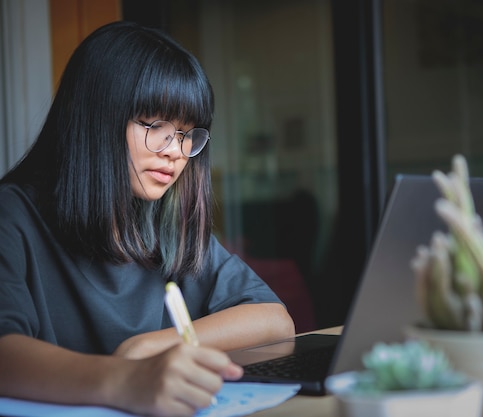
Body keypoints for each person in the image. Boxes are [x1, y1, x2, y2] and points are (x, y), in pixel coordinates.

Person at [0, 20, 295, 417]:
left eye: (187, 133)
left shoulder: (165, 221)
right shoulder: (12, 217)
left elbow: (274, 320)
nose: (175, 151)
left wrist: (150, 347)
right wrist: (123, 379)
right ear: (96, 118)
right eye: (156, 125)